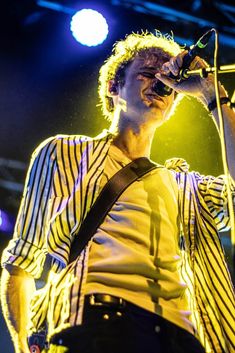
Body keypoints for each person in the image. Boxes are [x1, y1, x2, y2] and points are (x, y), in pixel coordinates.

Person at [1, 31, 235, 353]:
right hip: (96, 318)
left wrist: (212, 94)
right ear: (114, 88)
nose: (160, 84)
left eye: (167, 78)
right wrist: (21, 345)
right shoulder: (62, 152)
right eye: (147, 74)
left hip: (181, 335)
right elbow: (21, 264)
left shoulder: (185, 185)